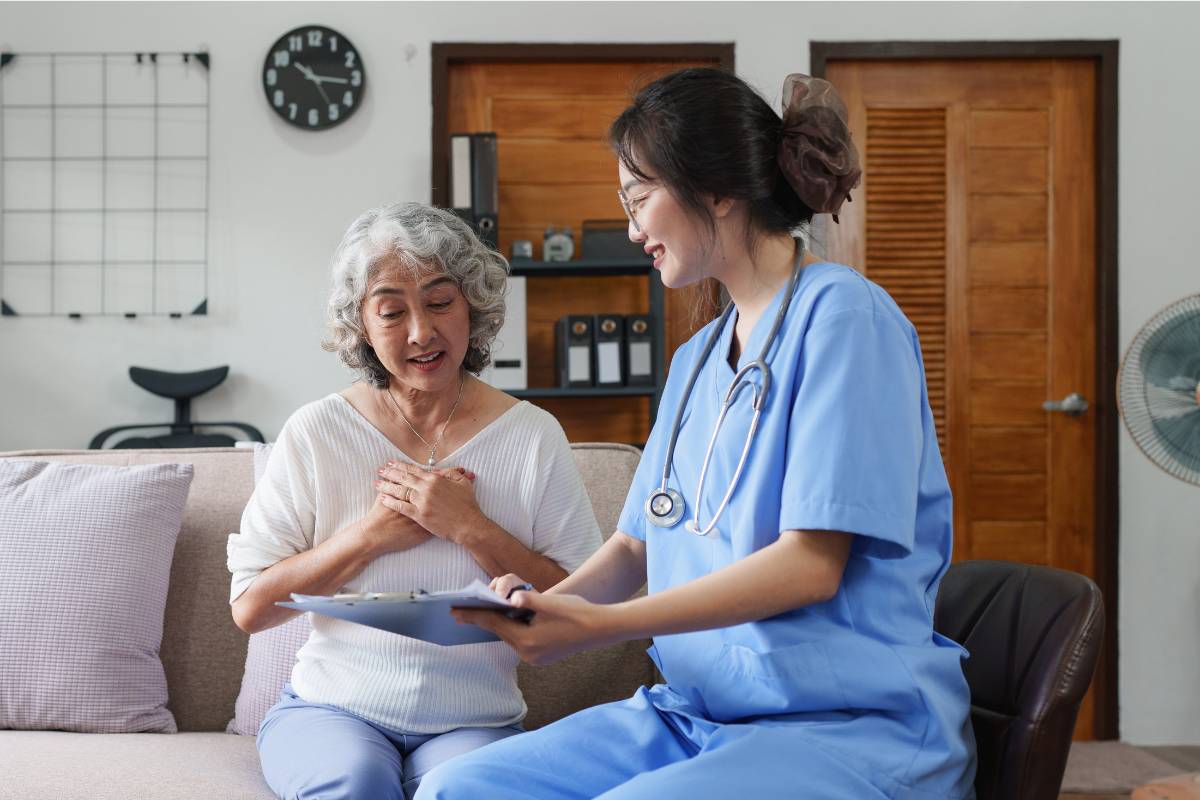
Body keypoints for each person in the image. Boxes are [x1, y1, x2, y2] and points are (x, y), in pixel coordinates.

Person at [416, 69, 978, 799]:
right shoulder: (697, 360)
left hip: (843, 728)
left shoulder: (846, 322)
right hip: (696, 716)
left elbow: (811, 566)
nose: (632, 228)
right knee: (456, 790)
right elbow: (636, 546)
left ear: (716, 189)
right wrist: (540, 608)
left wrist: (593, 628)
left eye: (639, 197)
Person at [226, 202, 603, 800]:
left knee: (467, 789)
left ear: (472, 305)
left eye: (439, 301)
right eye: (392, 312)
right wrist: (371, 536)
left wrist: (471, 529)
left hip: (474, 720)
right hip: (332, 712)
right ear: (362, 327)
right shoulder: (317, 430)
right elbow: (250, 608)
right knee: (354, 784)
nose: (421, 332)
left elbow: (587, 608)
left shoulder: (531, 435)